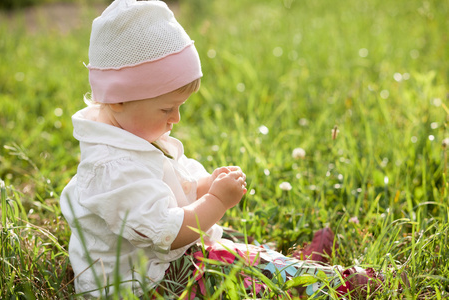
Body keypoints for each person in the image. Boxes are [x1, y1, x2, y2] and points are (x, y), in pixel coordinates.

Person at [60, 0, 401, 298]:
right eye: (167, 109)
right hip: (148, 286)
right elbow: (170, 234)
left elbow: (171, 191)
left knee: (225, 240)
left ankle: (290, 266)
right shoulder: (113, 168)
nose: (175, 118)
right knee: (223, 261)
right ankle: (327, 283)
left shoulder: (131, 131)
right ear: (119, 98)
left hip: (159, 266)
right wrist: (217, 201)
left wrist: (207, 183)